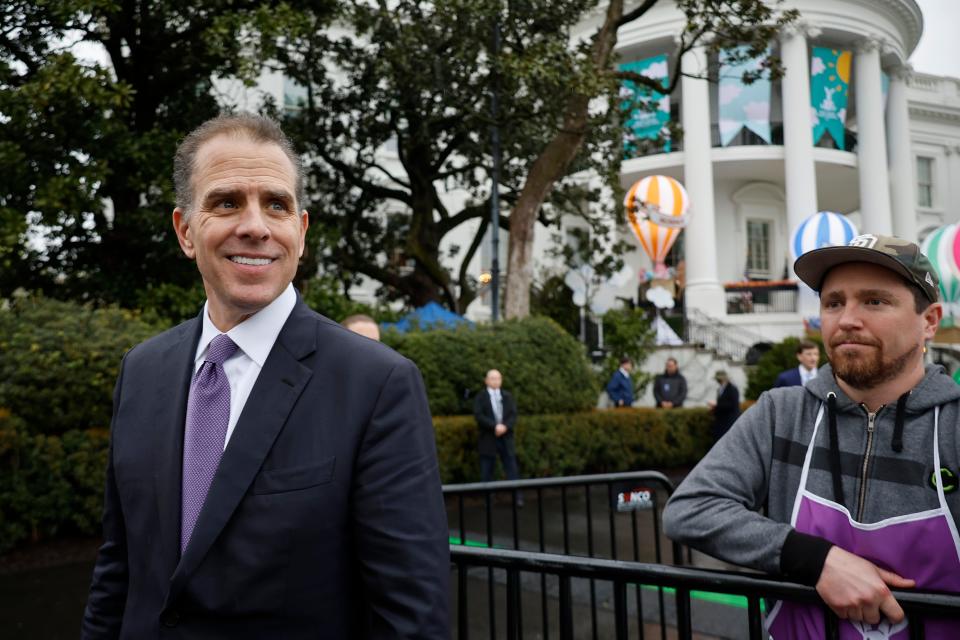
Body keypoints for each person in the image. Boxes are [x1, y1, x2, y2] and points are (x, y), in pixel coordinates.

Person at [81, 114, 449, 637]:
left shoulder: (376, 384)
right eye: (227, 202)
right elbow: (118, 569)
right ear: (186, 231)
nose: (255, 225)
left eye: (276, 205)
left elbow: (411, 615)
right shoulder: (141, 370)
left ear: (299, 232)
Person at [663, 234, 960, 638]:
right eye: (834, 302)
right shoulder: (780, 413)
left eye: (874, 301)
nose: (847, 319)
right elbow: (692, 508)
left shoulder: (953, 427)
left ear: (929, 321)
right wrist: (816, 560)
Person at [474, 369, 520, 484]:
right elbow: (479, 415)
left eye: (498, 378)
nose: (495, 381)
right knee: (487, 471)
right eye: (493, 378)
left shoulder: (507, 396)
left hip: (506, 438)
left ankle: (517, 497)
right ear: (486, 381)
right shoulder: (481, 397)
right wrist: (495, 426)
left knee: (512, 469)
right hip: (488, 438)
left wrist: (505, 427)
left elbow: (513, 414)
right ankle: (488, 499)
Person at [706, 370, 740, 442]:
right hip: (721, 421)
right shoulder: (719, 389)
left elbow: (733, 405)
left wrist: (717, 405)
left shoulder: (732, 389)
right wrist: (714, 409)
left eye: (719, 379)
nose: (718, 381)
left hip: (729, 421)